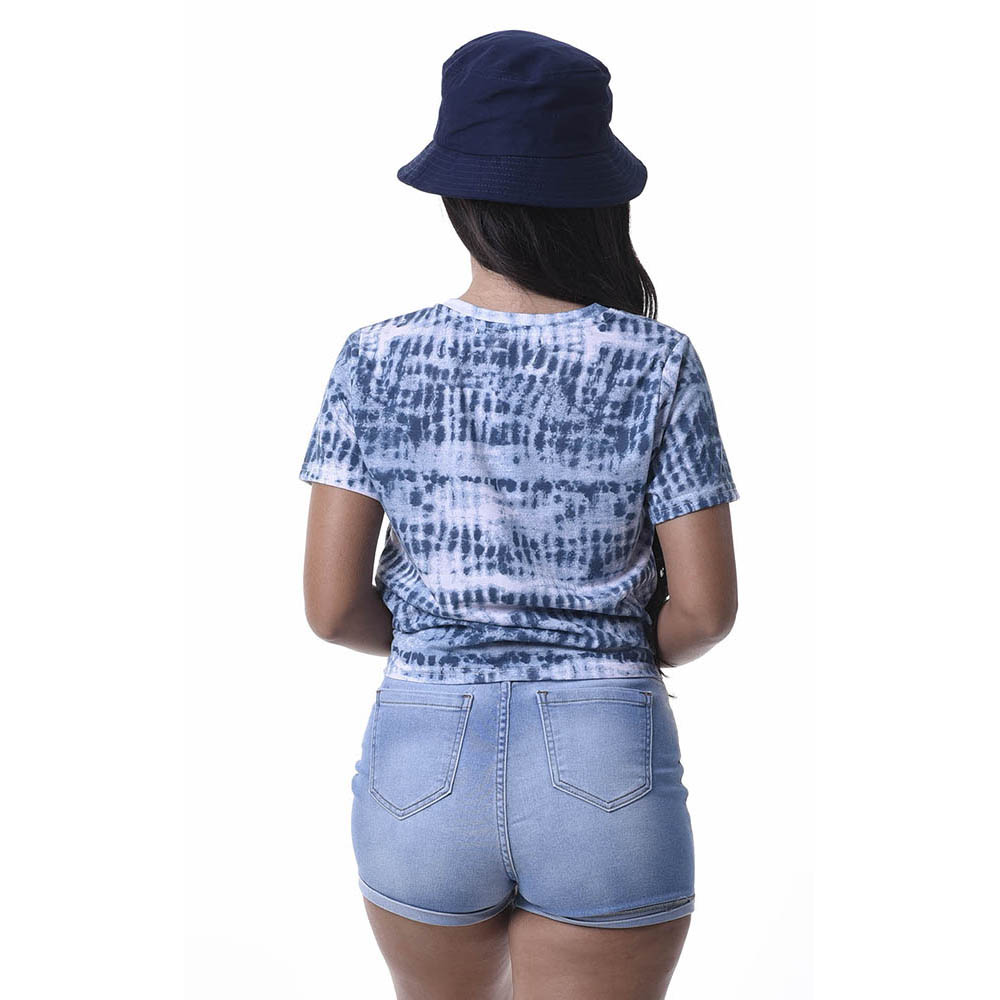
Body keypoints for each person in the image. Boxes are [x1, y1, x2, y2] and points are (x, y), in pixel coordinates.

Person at [300, 30, 739, 1000]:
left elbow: (331, 610)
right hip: (607, 754)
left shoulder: (376, 357)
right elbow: (706, 612)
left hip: (420, 760)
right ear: (597, 194)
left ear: (458, 193)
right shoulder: (657, 361)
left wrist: (447, 638)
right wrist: (610, 648)